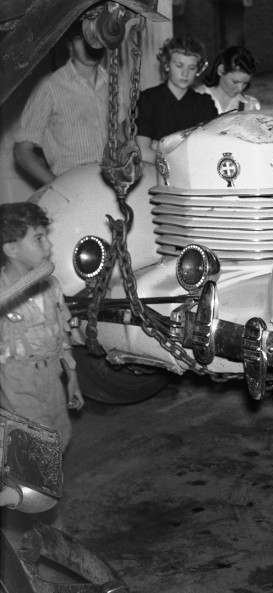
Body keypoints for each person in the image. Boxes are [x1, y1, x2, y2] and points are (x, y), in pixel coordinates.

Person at [0, 202, 84, 452]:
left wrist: (72, 376)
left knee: (60, 437)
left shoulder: (51, 286)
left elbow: (62, 335)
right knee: (37, 449)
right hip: (18, 381)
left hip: (51, 376)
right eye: (38, 239)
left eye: (46, 236)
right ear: (12, 249)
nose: (49, 245)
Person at [13, 20, 109, 186]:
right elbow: (22, 151)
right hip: (73, 188)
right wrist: (57, 186)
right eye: (83, 38)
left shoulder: (114, 83)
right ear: (69, 45)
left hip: (111, 185)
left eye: (96, 37)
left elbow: (122, 135)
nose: (91, 44)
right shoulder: (50, 87)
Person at [136, 36, 219, 163]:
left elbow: (210, 152)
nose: (185, 73)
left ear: (198, 70)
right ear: (166, 65)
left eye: (191, 68)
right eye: (179, 65)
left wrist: (159, 147)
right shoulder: (147, 99)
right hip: (155, 177)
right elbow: (143, 152)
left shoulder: (205, 103)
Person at [196, 46, 261, 114]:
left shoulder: (250, 106)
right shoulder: (195, 100)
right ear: (221, 70)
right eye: (235, 82)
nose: (240, 89)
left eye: (245, 83)